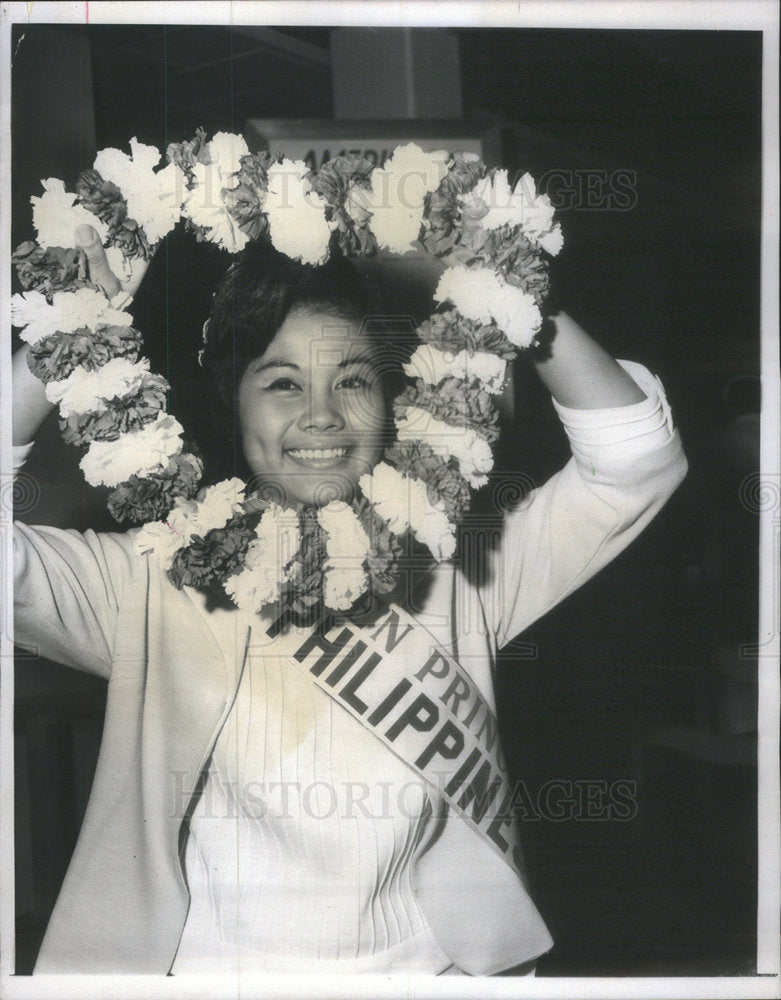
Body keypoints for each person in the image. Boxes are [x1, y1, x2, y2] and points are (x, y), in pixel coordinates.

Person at [10, 221, 688, 977]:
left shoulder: (453, 567)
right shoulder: (151, 577)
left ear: (388, 402)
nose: (322, 415)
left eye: (353, 380)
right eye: (281, 383)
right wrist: (61, 342)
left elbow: (634, 463)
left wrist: (517, 296)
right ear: (232, 407)